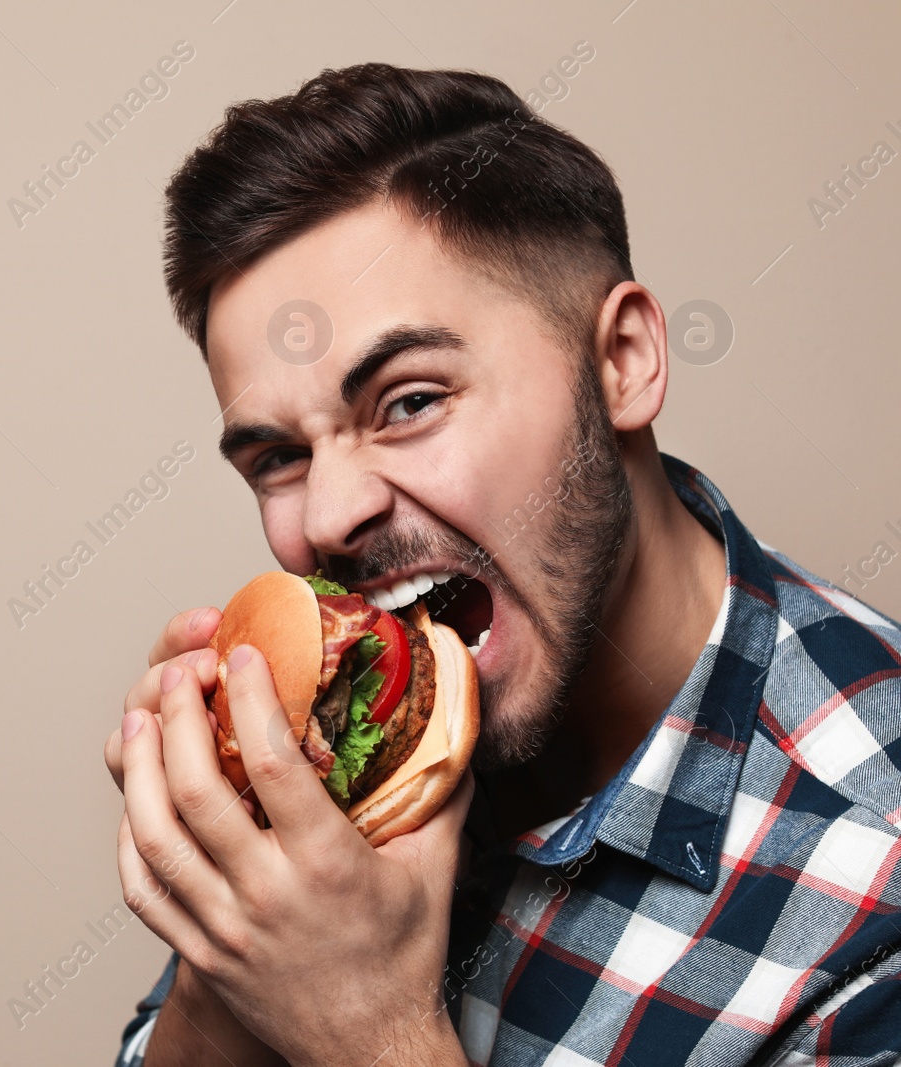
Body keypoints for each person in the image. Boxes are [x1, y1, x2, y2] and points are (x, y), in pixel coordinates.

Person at [102, 63, 901, 1065]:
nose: (332, 512)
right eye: (280, 457)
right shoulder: (352, 735)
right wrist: (226, 937)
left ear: (621, 361)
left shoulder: (874, 884)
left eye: (409, 400)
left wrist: (370, 1032)